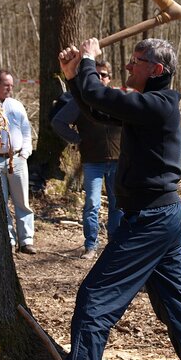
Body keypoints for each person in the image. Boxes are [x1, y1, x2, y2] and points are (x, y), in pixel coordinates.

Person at [56, 38, 181, 360]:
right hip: (161, 218)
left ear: (156, 70)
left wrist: (88, 59)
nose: (129, 67)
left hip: (152, 220)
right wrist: (74, 77)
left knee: (94, 301)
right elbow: (98, 110)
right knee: (178, 311)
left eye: (136, 61)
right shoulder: (148, 106)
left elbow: (100, 96)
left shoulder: (159, 104)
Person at [51, 60, 123, 260]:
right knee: (92, 203)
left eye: (104, 75)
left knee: (118, 204)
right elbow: (58, 122)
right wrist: (77, 139)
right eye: (97, 74)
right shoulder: (81, 100)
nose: (100, 78)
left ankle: (114, 245)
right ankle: (91, 246)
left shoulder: (117, 99)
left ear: (110, 78)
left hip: (119, 161)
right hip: (93, 161)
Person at [0, 69, 36, 255]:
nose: (10, 88)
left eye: (12, 85)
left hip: (17, 159)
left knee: (22, 201)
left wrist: (25, 151)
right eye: (6, 85)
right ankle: (9, 239)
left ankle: (26, 240)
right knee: (2, 203)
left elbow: (25, 129)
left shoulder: (16, 105)